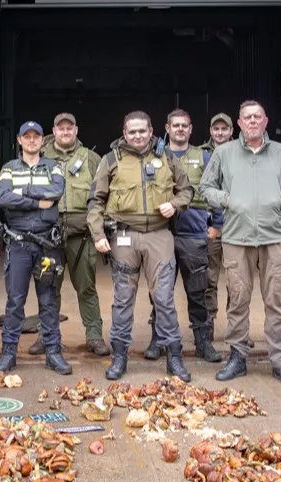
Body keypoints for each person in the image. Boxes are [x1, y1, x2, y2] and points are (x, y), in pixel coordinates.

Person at [200, 100, 281, 386]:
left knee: (275, 301)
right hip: (237, 238)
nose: (253, 121)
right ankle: (237, 357)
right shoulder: (224, 153)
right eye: (247, 117)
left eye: (258, 116)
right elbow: (205, 187)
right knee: (238, 299)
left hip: (273, 238)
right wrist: (226, 200)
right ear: (239, 123)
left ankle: (280, 361)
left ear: (266, 121)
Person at [88, 110, 193, 382]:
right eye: (132, 131)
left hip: (159, 235)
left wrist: (175, 204)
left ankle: (174, 356)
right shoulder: (111, 160)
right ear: (124, 133)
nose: (137, 136)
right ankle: (119, 356)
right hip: (124, 237)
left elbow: (187, 190)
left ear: (151, 131)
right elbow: (96, 200)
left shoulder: (167, 157)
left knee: (164, 298)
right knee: (123, 299)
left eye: (142, 131)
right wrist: (98, 234)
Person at [141, 109, 221, 363]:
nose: (180, 129)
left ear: (190, 129)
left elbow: (216, 189)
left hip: (193, 232)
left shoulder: (204, 156)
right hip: (161, 231)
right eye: (175, 125)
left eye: (184, 125)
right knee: (160, 291)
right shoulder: (155, 157)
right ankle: (158, 339)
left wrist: (218, 224)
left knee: (197, 290)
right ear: (167, 128)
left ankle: (203, 341)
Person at [0, 121, 71, 374]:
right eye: (26, 136)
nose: (31, 140)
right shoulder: (8, 168)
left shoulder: (53, 166)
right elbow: (4, 198)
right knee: (15, 301)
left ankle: (53, 353)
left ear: (42, 140)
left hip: (47, 244)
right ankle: (8, 353)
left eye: (35, 136)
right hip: (18, 244)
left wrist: (23, 191)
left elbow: (56, 191)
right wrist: (37, 202)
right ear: (19, 140)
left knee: (48, 300)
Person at [31, 112, 108, 356]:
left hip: (81, 236)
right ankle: (46, 336)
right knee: (48, 288)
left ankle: (94, 336)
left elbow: (102, 194)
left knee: (86, 288)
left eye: (69, 128)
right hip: (47, 235)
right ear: (54, 131)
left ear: (76, 130)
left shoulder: (91, 159)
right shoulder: (39, 157)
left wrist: (98, 228)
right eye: (61, 128)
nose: (65, 132)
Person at [200, 113, 233, 343]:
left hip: (235, 225)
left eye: (224, 129)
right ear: (211, 131)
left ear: (231, 131)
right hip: (211, 224)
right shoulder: (201, 154)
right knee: (209, 277)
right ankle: (208, 323)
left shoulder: (242, 152)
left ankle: (236, 326)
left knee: (236, 280)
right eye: (216, 129)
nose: (220, 133)